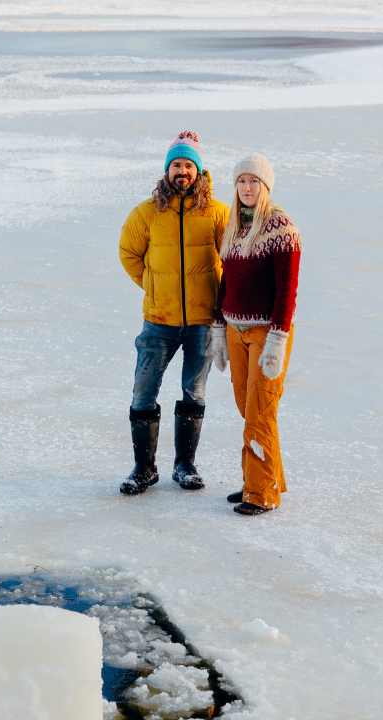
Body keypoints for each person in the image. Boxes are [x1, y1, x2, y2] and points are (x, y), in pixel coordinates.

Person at [117, 131, 230, 495]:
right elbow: (128, 253)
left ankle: (185, 465)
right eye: (176, 165)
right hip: (159, 320)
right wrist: (153, 286)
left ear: (198, 171)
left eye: (188, 165)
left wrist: (218, 296)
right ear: (167, 170)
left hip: (202, 321)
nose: (182, 171)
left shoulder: (217, 212)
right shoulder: (146, 212)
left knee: (193, 392)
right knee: (143, 393)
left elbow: (234, 258)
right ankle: (144, 468)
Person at [213, 154, 301, 516]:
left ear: (265, 187)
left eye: (254, 182)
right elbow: (226, 281)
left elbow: (287, 291)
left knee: (260, 413)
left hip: (267, 332)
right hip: (235, 330)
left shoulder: (281, 227)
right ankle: (268, 478)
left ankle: (260, 492)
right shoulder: (233, 226)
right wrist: (219, 329)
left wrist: (278, 339)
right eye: (241, 182)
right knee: (246, 406)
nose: (247, 188)